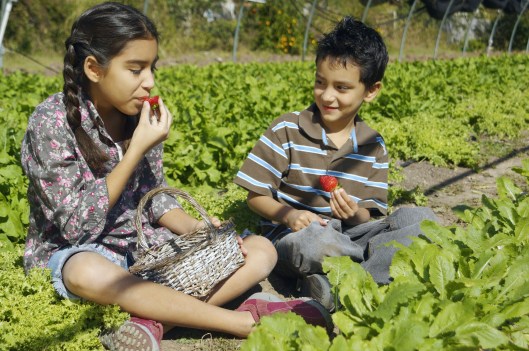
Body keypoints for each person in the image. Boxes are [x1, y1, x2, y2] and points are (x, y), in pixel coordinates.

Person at [20, 2, 331, 350]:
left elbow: (156, 197)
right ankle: (242, 321)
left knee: (259, 250)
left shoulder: (140, 114)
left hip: (143, 249)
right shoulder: (51, 123)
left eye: (151, 68)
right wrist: (135, 149)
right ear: (94, 68)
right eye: (135, 69)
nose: (149, 82)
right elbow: (77, 227)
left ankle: (154, 321)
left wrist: (198, 230)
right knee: (84, 272)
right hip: (81, 254)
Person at [234, 17, 439, 312]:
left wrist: (354, 212)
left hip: (347, 235)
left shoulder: (372, 144)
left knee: (420, 220)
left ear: (370, 91)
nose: (327, 95)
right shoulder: (287, 129)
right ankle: (369, 273)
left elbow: (366, 216)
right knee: (317, 242)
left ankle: (333, 284)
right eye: (320, 82)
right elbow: (255, 196)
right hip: (294, 237)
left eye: (342, 88)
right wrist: (290, 215)